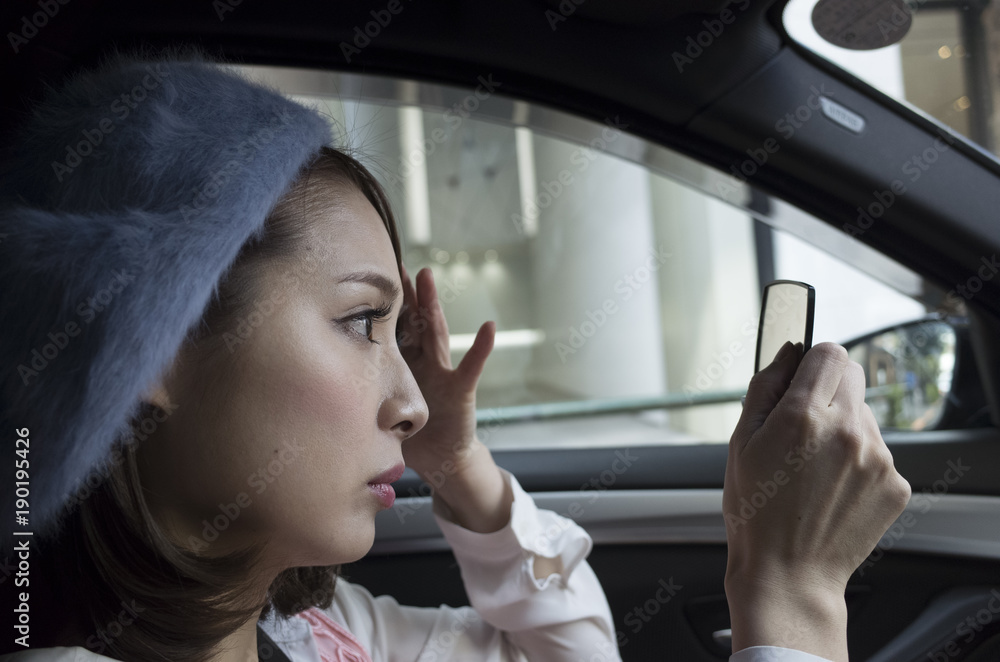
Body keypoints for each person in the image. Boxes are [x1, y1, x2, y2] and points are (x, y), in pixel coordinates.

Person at [0, 49, 910, 662]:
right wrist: (789, 598)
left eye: (398, 334)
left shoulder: (318, 631)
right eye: (361, 322)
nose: (415, 404)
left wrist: (460, 468)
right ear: (155, 346)